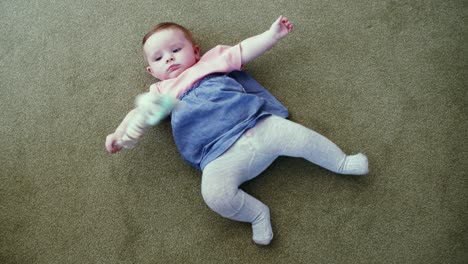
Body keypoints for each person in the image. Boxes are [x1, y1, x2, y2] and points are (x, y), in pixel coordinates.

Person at [105, 16, 369, 245]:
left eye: (176, 49)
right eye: (159, 58)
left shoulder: (210, 62)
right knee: (214, 195)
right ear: (152, 72)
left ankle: (341, 161)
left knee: (300, 137)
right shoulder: (160, 92)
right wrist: (119, 135)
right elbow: (137, 115)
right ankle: (256, 214)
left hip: (257, 125)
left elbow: (244, 50)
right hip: (218, 156)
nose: (170, 58)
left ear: (196, 51)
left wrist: (272, 35)